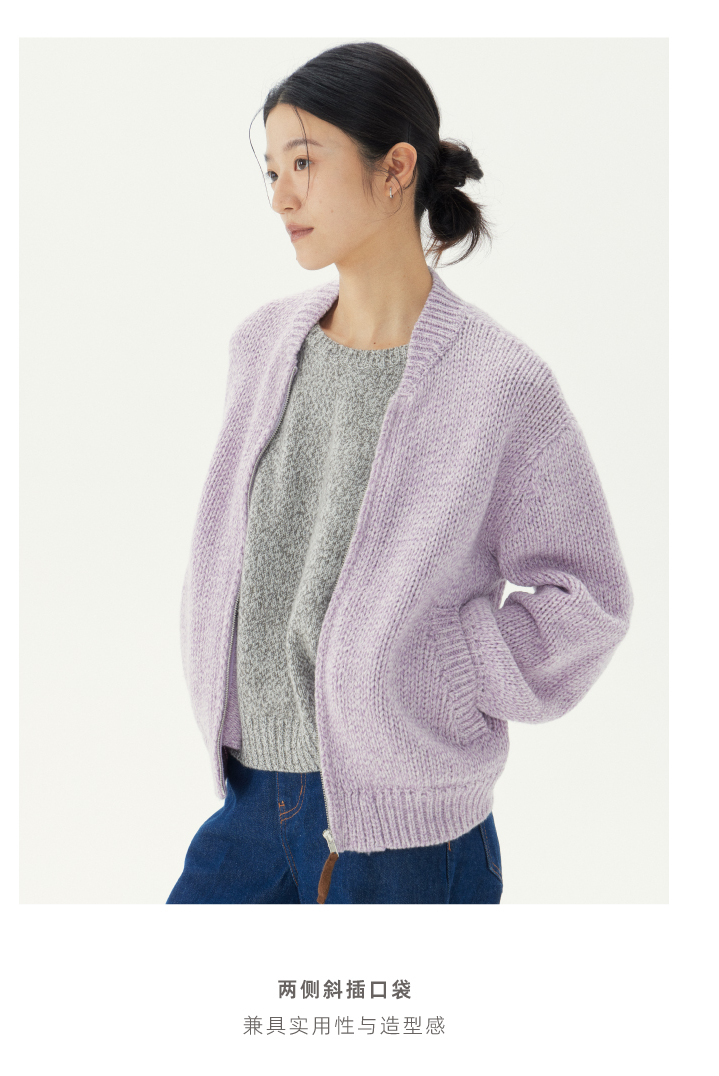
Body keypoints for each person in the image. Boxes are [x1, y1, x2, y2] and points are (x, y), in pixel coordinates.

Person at [167, 41, 633, 905]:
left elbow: (589, 597)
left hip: (412, 837)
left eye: (304, 163)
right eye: (271, 171)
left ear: (396, 170)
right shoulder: (261, 347)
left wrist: (447, 668)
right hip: (250, 799)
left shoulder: (499, 384)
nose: (280, 197)